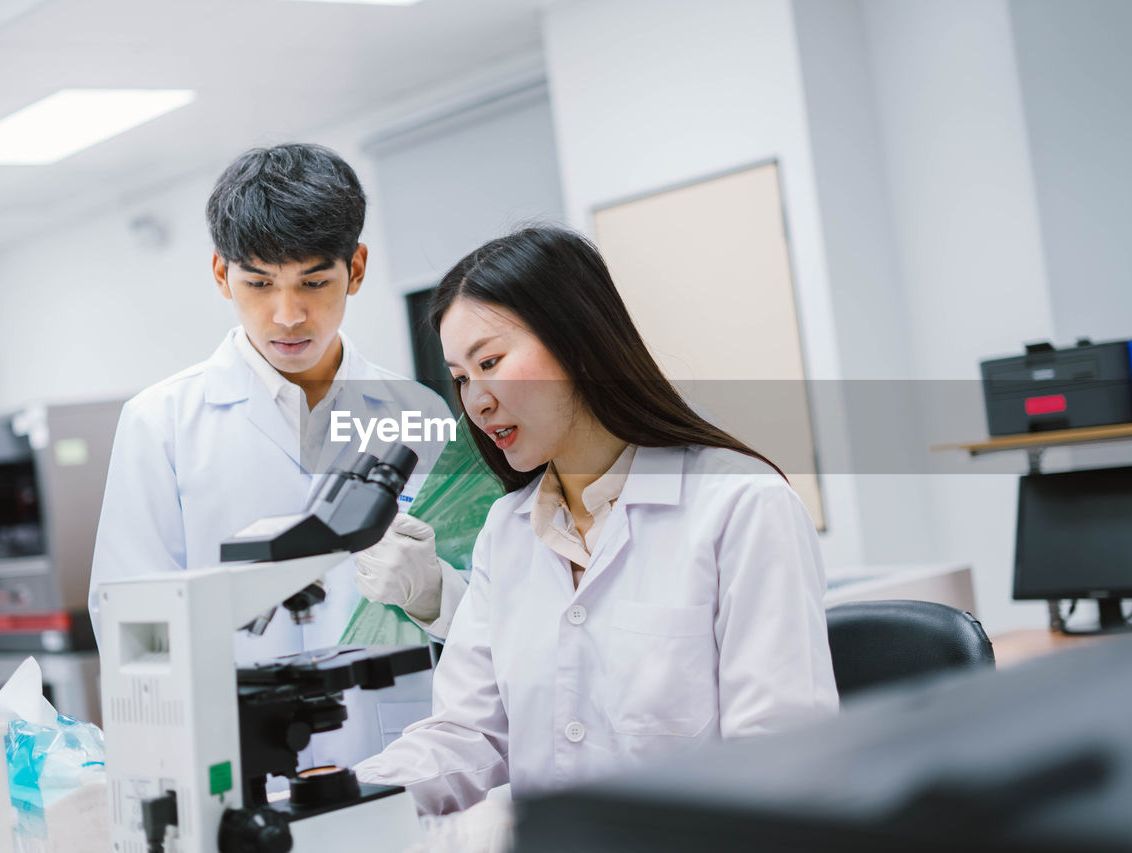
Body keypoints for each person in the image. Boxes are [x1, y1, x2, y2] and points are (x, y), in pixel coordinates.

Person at [355, 226, 839, 815]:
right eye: (460, 377)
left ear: (578, 342)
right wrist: (334, 800)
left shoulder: (739, 504)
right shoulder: (506, 532)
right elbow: (470, 734)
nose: (475, 401)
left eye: (490, 361)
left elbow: (779, 757)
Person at [87, 143, 452, 765]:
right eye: (259, 284)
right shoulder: (162, 422)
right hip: (241, 746)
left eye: (315, 282)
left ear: (356, 269)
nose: (288, 315)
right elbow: (128, 616)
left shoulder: (419, 413)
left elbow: (479, 598)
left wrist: (435, 593)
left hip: (402, 745)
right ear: (220, 274)